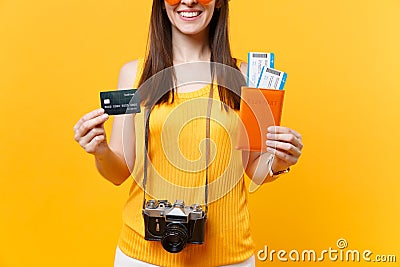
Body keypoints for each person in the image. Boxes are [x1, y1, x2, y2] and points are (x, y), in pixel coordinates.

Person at [73, 0, 303, 266]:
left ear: (218, 3)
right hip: (143, 254)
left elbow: (254, 169)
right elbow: (119, 172)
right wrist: (100, 152)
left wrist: (278, 162)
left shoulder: (245, 77)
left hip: (226, 254)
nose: (189, 0)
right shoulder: (134, 75)